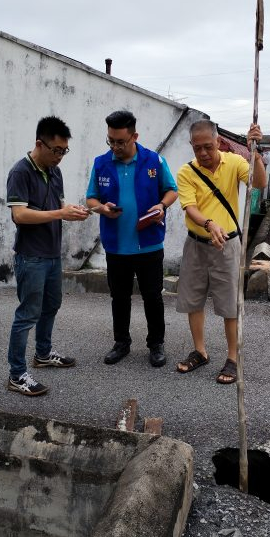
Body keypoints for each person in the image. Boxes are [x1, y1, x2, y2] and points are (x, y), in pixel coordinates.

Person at [175, 119, 266, 384]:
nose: (203, 153)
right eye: (197, 148)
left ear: (218, 142)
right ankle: (200, 351)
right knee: (193, 301)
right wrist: (208, 223)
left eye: (207, 147)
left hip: (228, 245)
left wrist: (255, 154)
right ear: (191, 146)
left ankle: (233, 359)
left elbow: (258, 184)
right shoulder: (186, 172)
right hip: (196, 243)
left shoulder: (234, 162)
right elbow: (190, 207)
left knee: (229, 304)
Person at [86, 110, 178, 367]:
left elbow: (171, 190)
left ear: (134, 136)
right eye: (111, 141)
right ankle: (121, 342)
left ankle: (156, 344)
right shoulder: (101, 163)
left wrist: (161, 206)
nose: (115, 147)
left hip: (148, 243)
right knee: (120, 297)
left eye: (120, 142)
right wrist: (102, 208)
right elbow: (91, 198)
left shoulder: (154, 161)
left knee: (153, 297)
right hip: (116, 245)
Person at [6, 116, 90, 396]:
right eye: (56, 150)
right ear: (39, 144)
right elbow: (19, 214)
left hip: (52, 254)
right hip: (31, 256)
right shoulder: (21, 171)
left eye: (64, 151)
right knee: (27, 314)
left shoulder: (55, 171)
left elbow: (60, 205)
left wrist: (77, 211)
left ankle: (43, 354)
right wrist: (61, 213)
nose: (60, 157)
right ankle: (16, 375)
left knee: (51, 305)